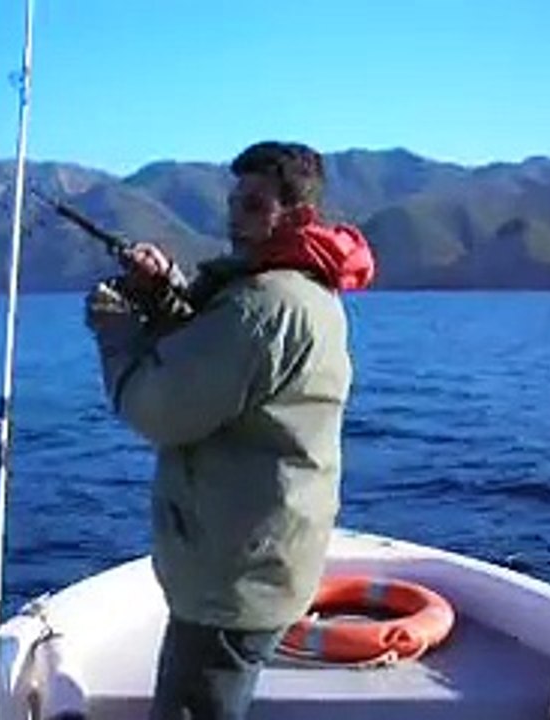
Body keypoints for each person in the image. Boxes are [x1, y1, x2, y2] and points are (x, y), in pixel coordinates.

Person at [85, 141, 375, 719]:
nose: (234, 216)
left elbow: (159, 408)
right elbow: (223, 360)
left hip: (231, 582)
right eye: (234, 201)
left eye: (253, 205)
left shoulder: (264, 306)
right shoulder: (302, 290)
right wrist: (166, 289)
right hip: (261, 560)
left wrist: (116, 330)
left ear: (295, 216)